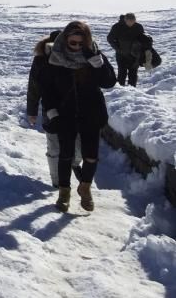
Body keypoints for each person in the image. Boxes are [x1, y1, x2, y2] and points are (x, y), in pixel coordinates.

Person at [39, 21, 116, 212]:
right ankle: (64, 193)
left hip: (91, 113)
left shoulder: (94, 54)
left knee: (91, 156)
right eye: (73, 43)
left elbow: (109, 82)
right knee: (66, 154)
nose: (77, 47)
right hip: (65, 114)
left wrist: (96, 62)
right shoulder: (54, 58)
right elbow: (47, 88)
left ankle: (85, 187)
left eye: (82, 43)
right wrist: (52, 112)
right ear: (65, 40)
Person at [27, 30, 82, 187]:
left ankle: (74, 164)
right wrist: (31, 111)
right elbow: (33, 87)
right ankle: (57, 183)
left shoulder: (75, 57)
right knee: (54, 147)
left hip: (75, 110)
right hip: (50, 110)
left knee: (78, 148)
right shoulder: (40, 60)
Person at [106, 13, 150, 87]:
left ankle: (132, 91)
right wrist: (118, 49)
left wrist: (146, 43)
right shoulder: (117, 27)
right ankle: (120, 91)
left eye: (133, 21)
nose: (131, 23)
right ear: (125, 20)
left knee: (133, 73)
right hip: (121, 54)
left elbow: (142, 39)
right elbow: (110, 38)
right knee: (122, 73)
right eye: (129, 22)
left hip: (135, 54)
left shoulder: (138, 27)